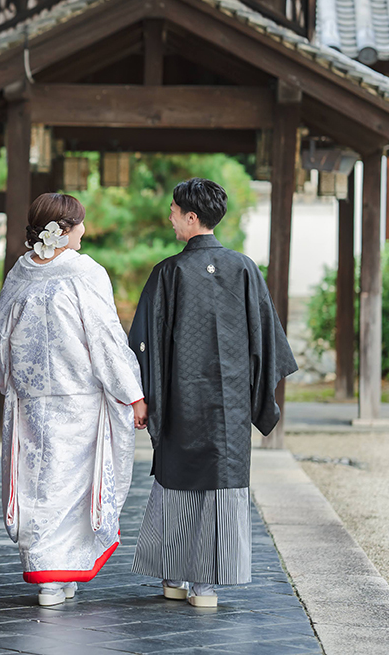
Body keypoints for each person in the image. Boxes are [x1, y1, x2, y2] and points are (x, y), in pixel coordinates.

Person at [129, 177, 297, 608]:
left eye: (173, 211)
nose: (169, 217)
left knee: (177, 480)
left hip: (179, 398)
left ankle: (174, 577)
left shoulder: (169, 272)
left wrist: (145, 395)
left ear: (191, 217)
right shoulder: (244, 268)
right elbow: (267, 340)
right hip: (231, 405)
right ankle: (207, 586)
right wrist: (259, 397)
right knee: (220, 484)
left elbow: (143, 341)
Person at [0, 192, 148, 607]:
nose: (85, 231)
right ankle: (59, 574)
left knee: (37, 483)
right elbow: (106, 338)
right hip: (77, 399)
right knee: (73, 488)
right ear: (63, 229)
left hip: (31, 401)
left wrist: (10, 384)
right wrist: (132, 394)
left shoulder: (20, 272)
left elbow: (0, 334)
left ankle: (49, 575)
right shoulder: (84, 272)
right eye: (79, 224)